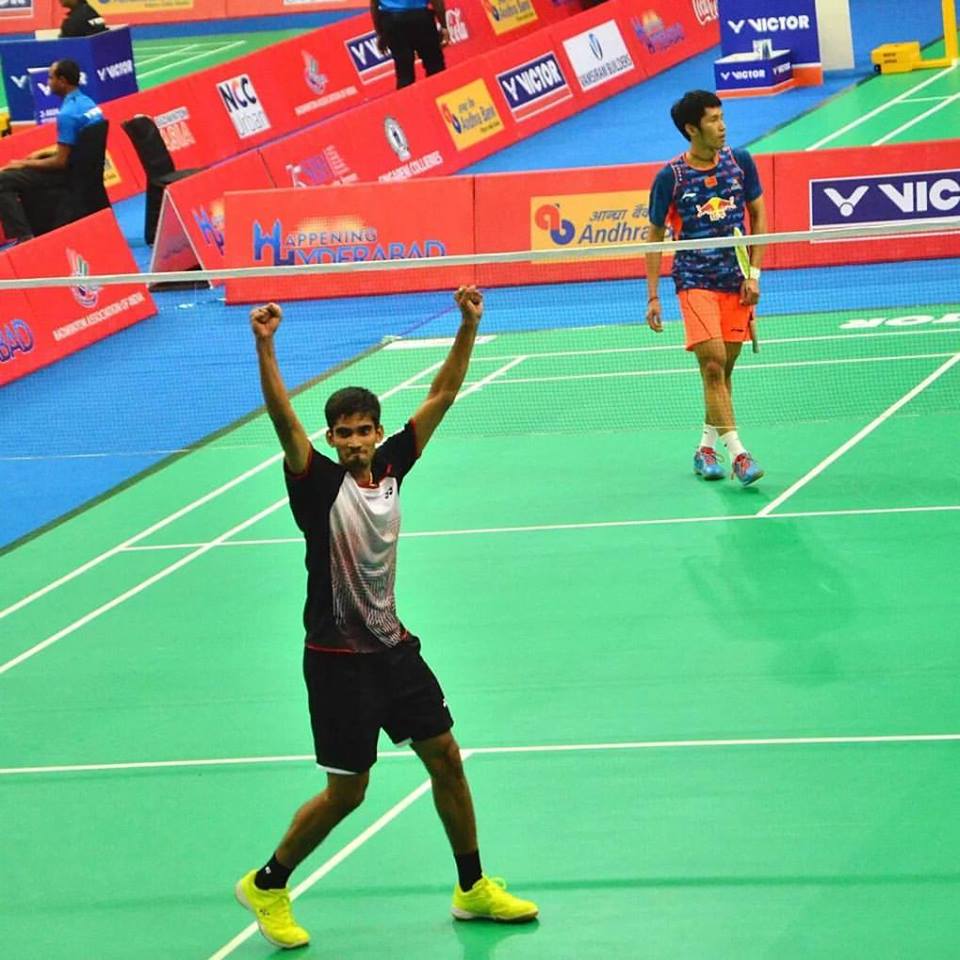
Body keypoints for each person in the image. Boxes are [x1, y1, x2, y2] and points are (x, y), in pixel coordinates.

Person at [236, 288, 539, 950]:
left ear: (377, 432)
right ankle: (267, 882)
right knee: (347, 793)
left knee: (446, 757)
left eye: (362, 430)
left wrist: (468, 325)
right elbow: (283, 419)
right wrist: (265, 346)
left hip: (395, 651)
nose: (352, 441)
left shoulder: (395, 463)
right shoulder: (315, 483)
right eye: (341, 433)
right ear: (330, 439)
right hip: (336, 662)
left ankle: (471, 887)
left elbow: (443, 394)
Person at [645, 90, 767, 486]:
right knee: (712, 364)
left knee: (723, 372)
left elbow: (758, 215)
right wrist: (653, 296)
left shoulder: (740, 162)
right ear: (691, 129)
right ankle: (740, 456)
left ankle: (705, 449)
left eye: (722, 117)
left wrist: (754, 275)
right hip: (694, 280)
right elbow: (654, 237)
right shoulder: (671, 178)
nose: (722, 126)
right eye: (713, 120)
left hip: (735, 281)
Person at [0, 59, 104, 245]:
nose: (48, 82)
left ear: (62, 81)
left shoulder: (67, 114)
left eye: (50, 78)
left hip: (68, 174)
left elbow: (60, 162)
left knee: (3, 179)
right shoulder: (88, 103)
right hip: (87, 170)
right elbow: (78, 145)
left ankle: (24, 236)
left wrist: (23, 163)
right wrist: (43, 154)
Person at [371, 0, 448, 89]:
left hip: (393, 22)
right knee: (435, 67)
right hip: (421, 19)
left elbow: (374, 5)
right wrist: (443, 26)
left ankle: (406, 97)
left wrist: (380, 33)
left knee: (404, 75)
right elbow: (437, 2)